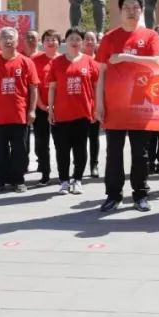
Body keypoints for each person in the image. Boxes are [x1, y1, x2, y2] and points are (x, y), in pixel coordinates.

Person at [95, 0, 159, 213]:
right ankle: (113, 195)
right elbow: (101, 72)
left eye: (135, 7)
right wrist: (99, 103)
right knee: (114, 153)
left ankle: (140, 194)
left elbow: (156, 61)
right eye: (127, 7)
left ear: (141, 10)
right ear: (120, 11)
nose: (131, 11)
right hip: (114, 105)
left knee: (140, 153)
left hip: (141, 104)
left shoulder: (150, 35)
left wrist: (127, 57)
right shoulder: (110, 37)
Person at [0, 27, 39, 194]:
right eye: (4, 38)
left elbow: (33, 88)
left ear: (16, 41)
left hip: (20, 115)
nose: (7, 40)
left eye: (11, 38)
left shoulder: (26, 62)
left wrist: (32, 110)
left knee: (20, 149)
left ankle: (18, 180)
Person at [47, 28, 99, 195]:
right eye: (71, 39)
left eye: (78, 39)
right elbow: (52, 88)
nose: (75, 42)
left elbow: (96, 87)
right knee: (62, 150)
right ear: (66, 42)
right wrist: (50, 109)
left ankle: (77, 179)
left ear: (82, 42)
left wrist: (96, 108)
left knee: (80, 149)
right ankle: (64, 181)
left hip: (83, 113)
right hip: (61, 114)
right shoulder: (57, 62)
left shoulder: (89, 62)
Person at [30, 29, 60, 187]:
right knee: (42, 142)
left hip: (60, 109)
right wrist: (41, 105)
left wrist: (56, 105)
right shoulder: (35, 60)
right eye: (47, 39)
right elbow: (33, 85)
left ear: (59, 43)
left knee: (60, 142)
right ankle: (45, 173)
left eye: (54, 39)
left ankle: (62, 174)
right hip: (41, 107)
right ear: (42, 43)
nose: (51, 42)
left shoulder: (63, 60)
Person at [82, 31, 101, 178]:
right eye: (86, 39)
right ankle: (79, 165)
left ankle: (94, 165)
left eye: (92, 39)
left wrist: (98, 106)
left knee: (94, 137)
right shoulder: (78, 59)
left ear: (96, 42)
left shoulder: (100, 60)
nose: (89, 41)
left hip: (96, 103)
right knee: (80, 138)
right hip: (80, 104)